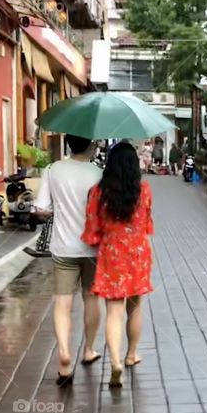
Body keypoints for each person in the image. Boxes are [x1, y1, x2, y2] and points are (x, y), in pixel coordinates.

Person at [82, 143, 154, 388]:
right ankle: (131, 354)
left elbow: (92, 231)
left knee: (114, 311)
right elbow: (147, 225)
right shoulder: (143, 191)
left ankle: (115, 362)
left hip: (112, 254)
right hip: (138, 253)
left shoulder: (97, 192)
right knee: (134, 307)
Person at [33, 134, 103, 387]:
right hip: (93, 248)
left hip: (63, 248)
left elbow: (40, 208)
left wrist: (58, 210)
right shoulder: (98, 173)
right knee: (91, 299)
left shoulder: (53, 169)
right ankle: (89, 349)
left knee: (62, 303)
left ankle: (64, 353)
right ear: (91, 145)